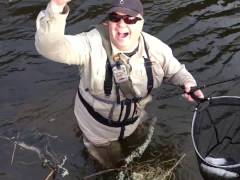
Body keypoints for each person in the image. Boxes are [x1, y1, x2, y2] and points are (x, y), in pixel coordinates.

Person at [35, 0, 204, 168]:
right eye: (115, 17)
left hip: (134, 120)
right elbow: (49, 47)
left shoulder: (156, 48)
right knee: (115, 166)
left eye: (130, 19)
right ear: (108, 22)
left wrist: (188, 83)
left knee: (141, 150)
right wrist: (56, 6)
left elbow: (176, 71)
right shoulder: (90, 44)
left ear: (141, 23)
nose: (121, 24)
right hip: (97, 129)